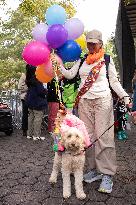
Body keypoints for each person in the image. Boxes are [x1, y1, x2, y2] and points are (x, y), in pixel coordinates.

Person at [58, 29, 130, 193]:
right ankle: (93, 169)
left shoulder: (106, 59)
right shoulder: (82, 59)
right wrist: (59, 65)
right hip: (84, 102)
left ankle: (107, 174)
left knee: (104, 137)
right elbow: (70, 75)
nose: (90, 45)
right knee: (88, 138)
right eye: (88, 42)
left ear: (100, 43)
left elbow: (114, 81)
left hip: (102, 101)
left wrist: (125, 96)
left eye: (93, 43)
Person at [25, 64, 47, 140]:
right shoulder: (37, 79)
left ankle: (29, 134)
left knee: (31, 117)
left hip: (30, 101)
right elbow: (41, 91)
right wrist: (46, 91)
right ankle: (36, 135)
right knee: (38, 118)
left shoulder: (28, 78)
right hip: (38, 102)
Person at [18, 71, 28, 136]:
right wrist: (28, 88)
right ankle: (24, 130)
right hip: (25, 97)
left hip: (32, 97)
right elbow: (20, 87)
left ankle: (31, 130)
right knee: (25, 114)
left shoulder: (36, 75)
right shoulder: (24, 75)